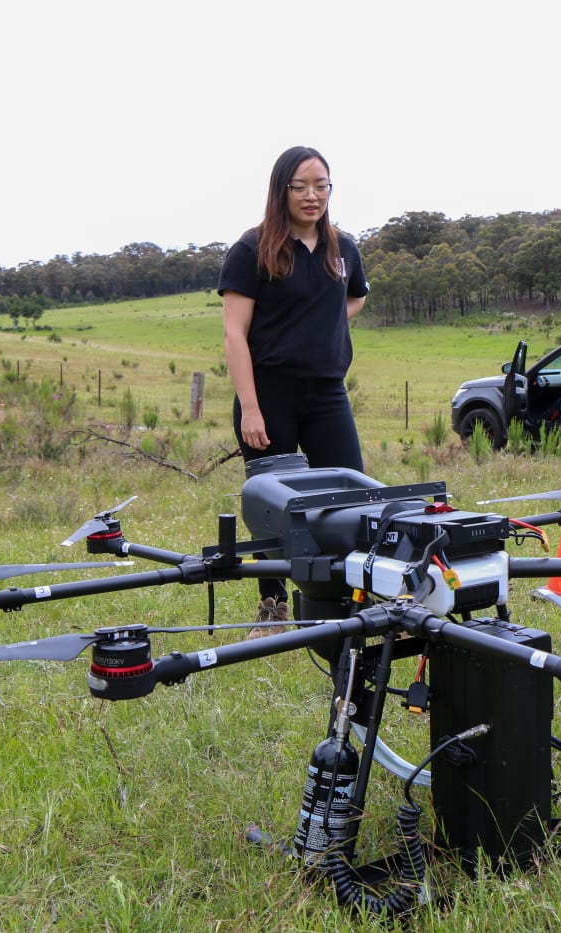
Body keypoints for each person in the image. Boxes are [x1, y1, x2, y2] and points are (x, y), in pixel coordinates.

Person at [218, 146, 369, 637]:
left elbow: (356, 297)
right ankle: (273, 607)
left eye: (321, 186)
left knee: (352, 496)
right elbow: (234, 334)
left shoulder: (343, 249)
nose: (312, 196)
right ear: (281, 190)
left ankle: (346, 601)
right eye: (300, 186)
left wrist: (321, 322)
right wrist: (251, 409)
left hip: (327, 395)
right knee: (273, 507)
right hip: (269, 396)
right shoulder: (252, 250)